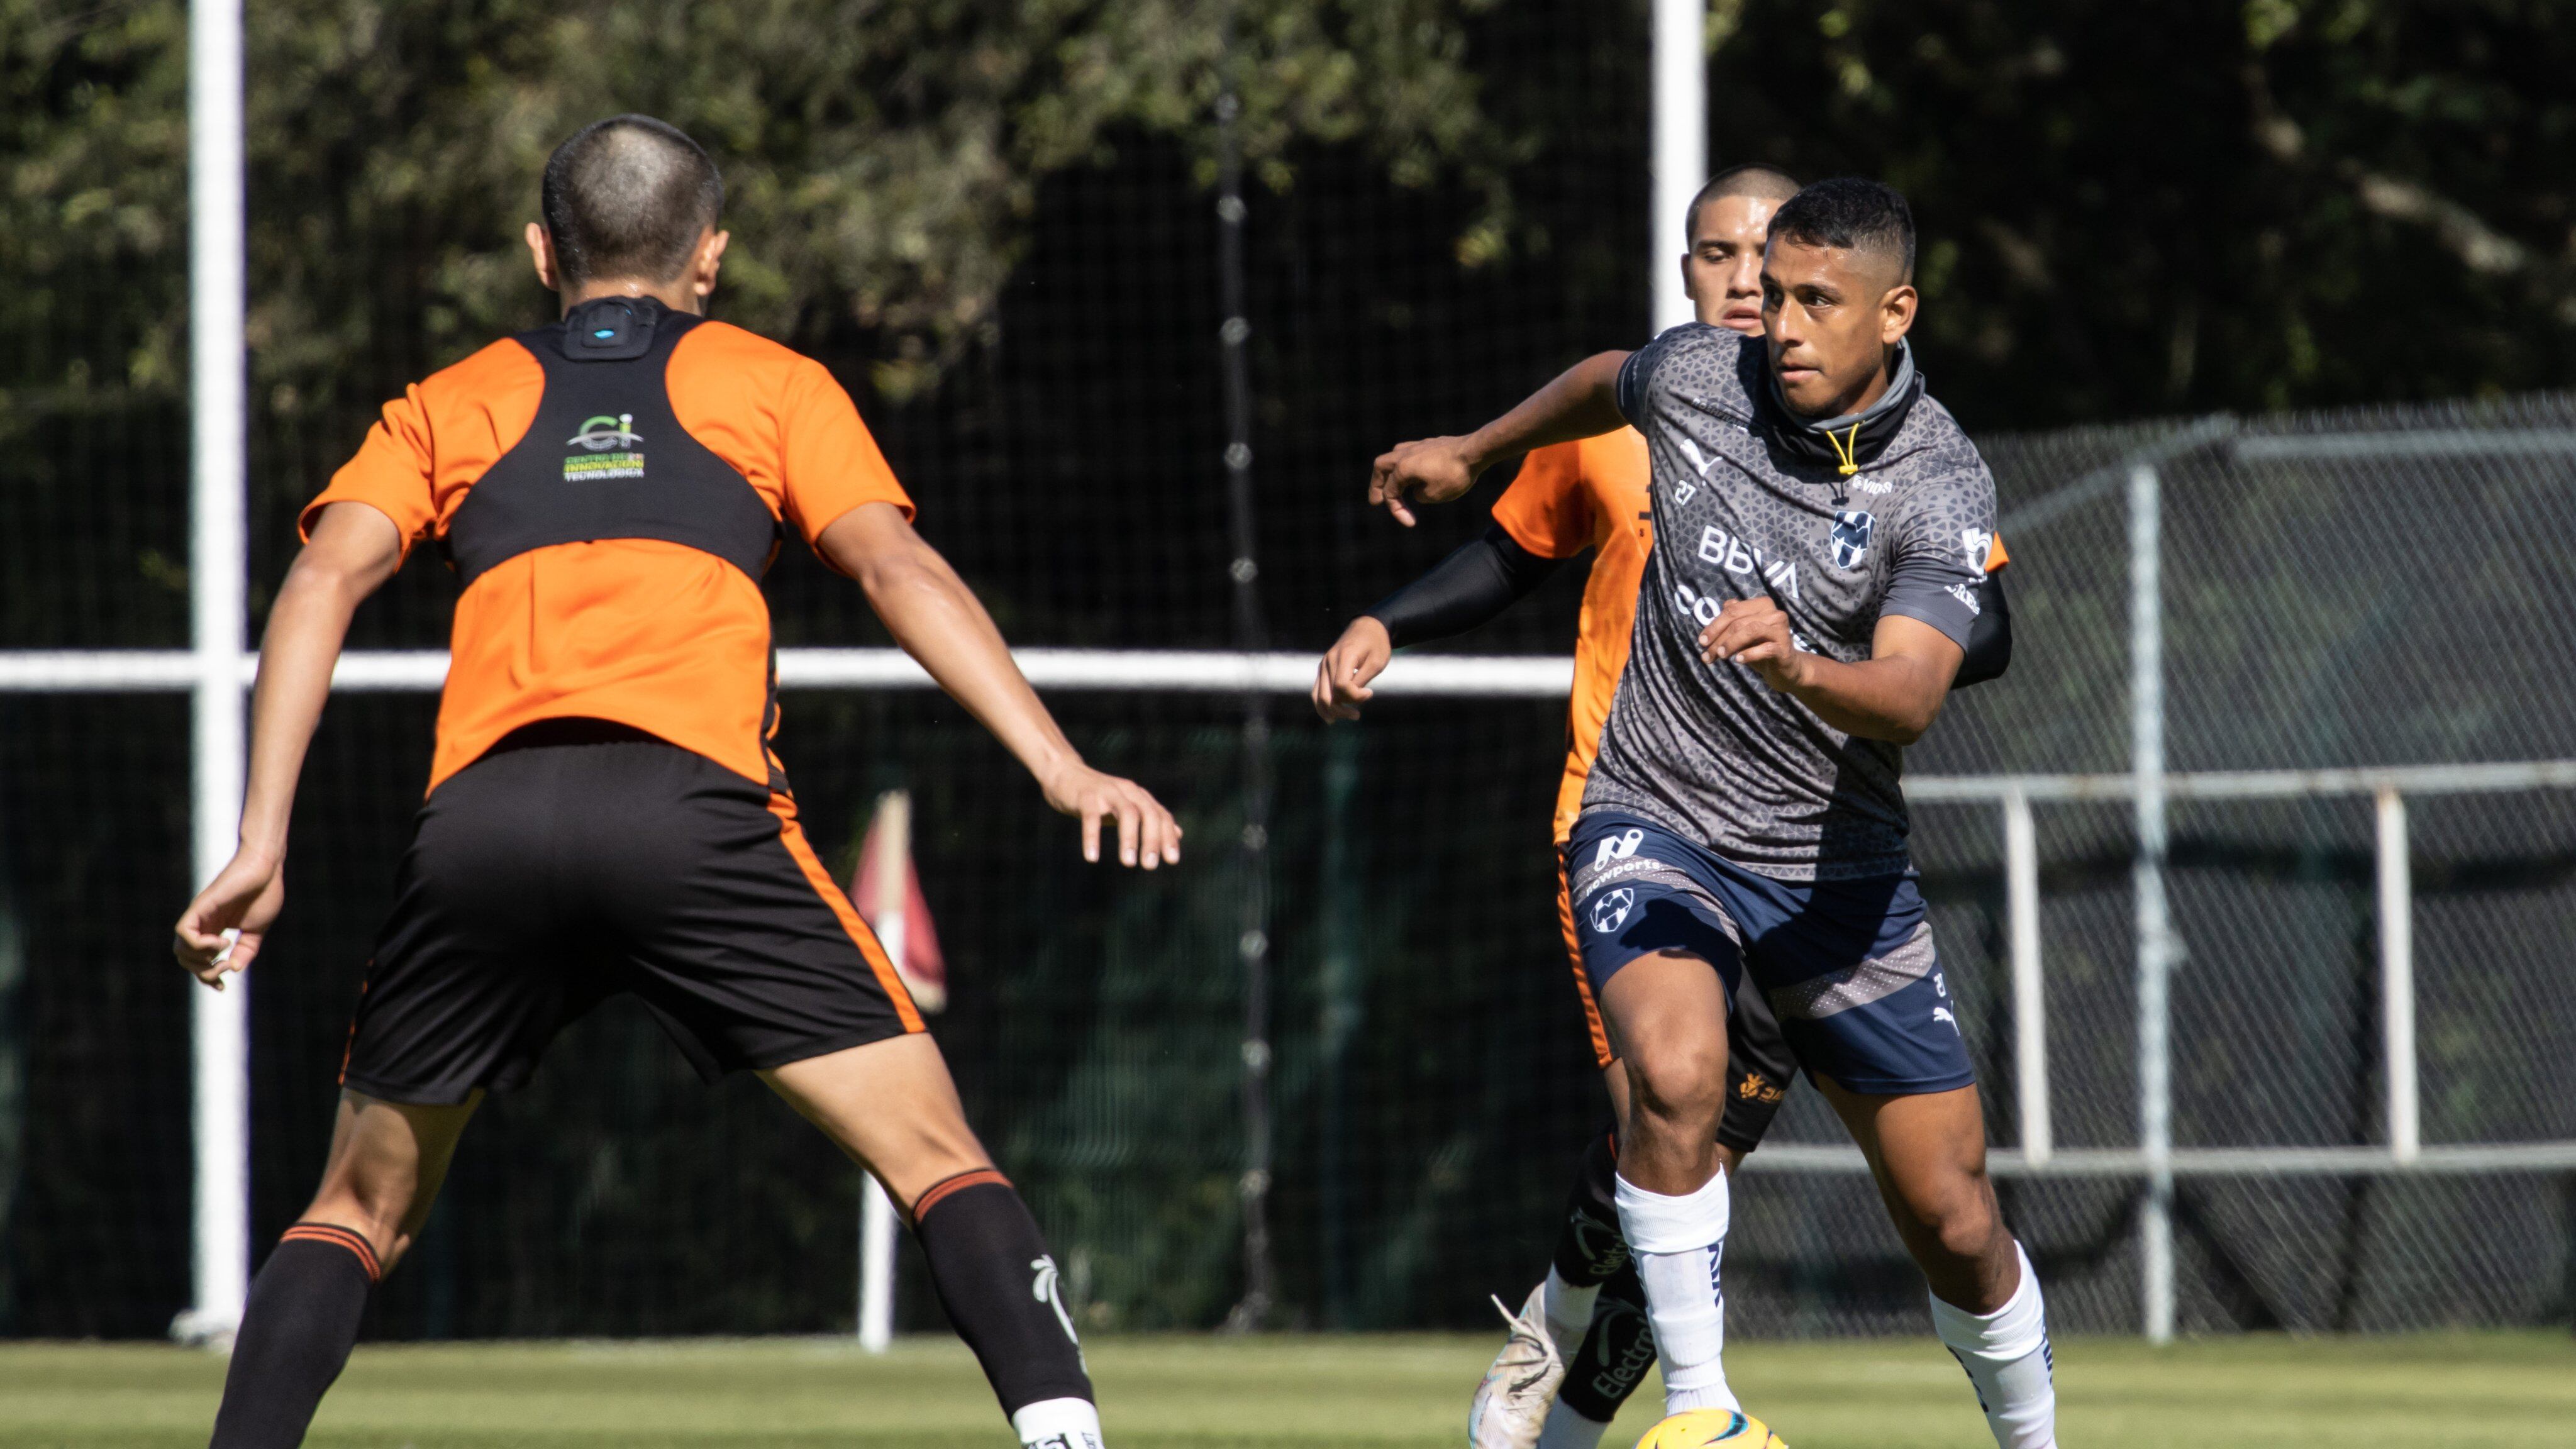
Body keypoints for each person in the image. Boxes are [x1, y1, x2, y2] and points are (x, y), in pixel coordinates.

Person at [170, 115, 1178, 1449]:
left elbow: (320, 578)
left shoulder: (449, 400)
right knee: (940, 1162)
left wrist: (260, 838)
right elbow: (893, 569)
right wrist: (1058, 765)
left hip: (480, 829)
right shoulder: (772, 384)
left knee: (351, 1214)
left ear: (543, 254)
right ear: (709, 258)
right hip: (689, 819)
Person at [1319, 167, 2012, 1449]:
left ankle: (1560, 1330)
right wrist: (1447, 497)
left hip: (1826, 858)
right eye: (1729, 264)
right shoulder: (1677, 387)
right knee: (1670, 1097)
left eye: (1798, 283)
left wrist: (1809, 645)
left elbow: (1955, 656)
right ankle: (1684, 1414)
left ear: (1885, 309)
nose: (1762, 301)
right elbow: (1553, 466)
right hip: (1642, 813)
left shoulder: (1925, 476)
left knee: (1910, 1205)